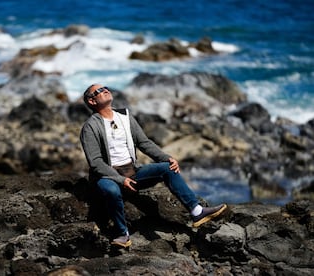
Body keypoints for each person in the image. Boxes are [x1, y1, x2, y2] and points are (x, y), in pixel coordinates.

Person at [80, 84, 227, 247]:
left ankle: (196, 211)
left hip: (132, 172)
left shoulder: (124, 116)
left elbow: (144, 142)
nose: (105, 90)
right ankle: (123, 233)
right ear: (92, 101)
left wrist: (167, 158)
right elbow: (96, 162)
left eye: (105, 87)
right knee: (111, 190)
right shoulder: (90, 127)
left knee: (167, 168)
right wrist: (121, 180)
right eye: (99, 91)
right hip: (108, 177)